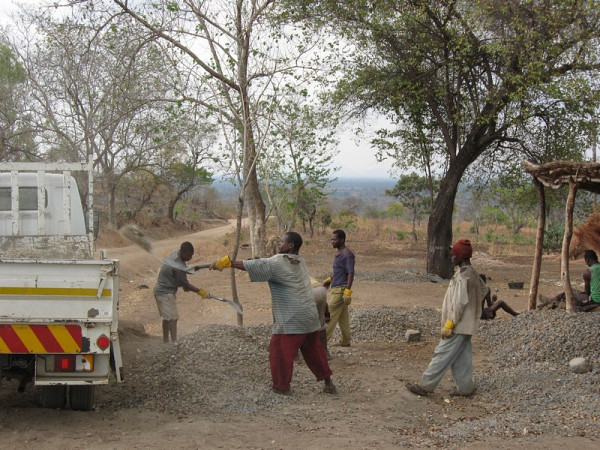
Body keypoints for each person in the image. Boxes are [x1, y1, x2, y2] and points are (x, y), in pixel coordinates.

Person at [210, 232, 336, 395]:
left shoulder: (278, 261)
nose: (278, 243)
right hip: (309, 316)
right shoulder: (300, 261)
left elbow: (258, 266)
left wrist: (228, 263)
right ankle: (328, 383)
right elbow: (262, 263)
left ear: (291, 246)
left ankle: (281, 387)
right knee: (314, 351)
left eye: (281, 241)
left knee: (279, 351)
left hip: (292, 318)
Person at [406, 239, 484, 397]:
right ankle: (466, 388)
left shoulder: (464, 276)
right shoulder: (472, 273)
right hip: (466, 325)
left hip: (458, 325)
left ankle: (426, 386)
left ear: (460, 257)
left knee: (442, 353)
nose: (451, 258)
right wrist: (476, 309)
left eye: (454, 255)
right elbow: (484, 290)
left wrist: (450, 324)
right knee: (461, 357)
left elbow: (459, 303)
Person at [153, 241, 209, 344]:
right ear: (183, 252)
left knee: (167, 318)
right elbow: (185, 284)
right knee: (173, 318)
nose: (191, 258)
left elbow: (182, 277)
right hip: (165, 293)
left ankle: (166, 342)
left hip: (161, 290)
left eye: (192, 255)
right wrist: (200, 291)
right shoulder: (177, 266)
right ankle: (174, 343)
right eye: (189, 255)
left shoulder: (175, 253)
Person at [323, 229, 355, 347]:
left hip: (340, 290)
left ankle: (321, 344)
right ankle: (346, 341)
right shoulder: (340, 254)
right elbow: (341, 271)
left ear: (342, 240)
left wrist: (347, 291)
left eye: (334, 239)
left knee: (329, 316)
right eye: (331, 239)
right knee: (343, 317)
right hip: (337, 287)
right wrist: (330, 279)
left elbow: (350, 273)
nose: (332, 242)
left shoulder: (347, 254)